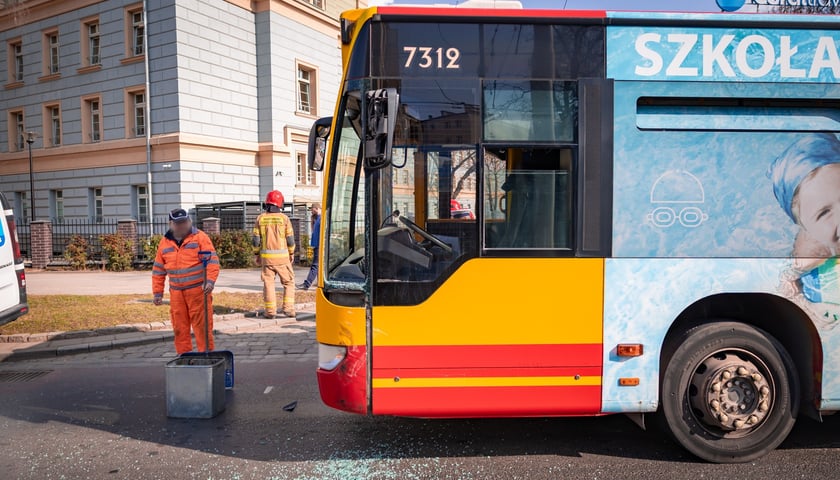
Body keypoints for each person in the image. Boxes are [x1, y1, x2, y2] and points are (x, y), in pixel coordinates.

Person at [770, 133, 840, 307]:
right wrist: (791, 277)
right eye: (824, 213)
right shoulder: (811, 251)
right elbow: (789, 277)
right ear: (804, 226)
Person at [152, 208, 220, 354]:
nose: (182, 226)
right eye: (178, 223)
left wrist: (210, 282)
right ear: (171, 224)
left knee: (202, 327)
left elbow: (213, 262)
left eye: (184, 222)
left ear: (189, 221)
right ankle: (184, 356)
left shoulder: (200, 238)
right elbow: (158, 270)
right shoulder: (164, 243)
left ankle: (206, 355)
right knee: (179, 328)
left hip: (198, 292)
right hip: (176, 294)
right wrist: (157, 293)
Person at [253, 190, 296, 319]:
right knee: (288, 282)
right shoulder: (284, 219)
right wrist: (292, 252)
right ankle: (288, 309)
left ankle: (270, 312)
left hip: (267, 260)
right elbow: (290, 239)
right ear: (280, 204)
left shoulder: (260, 218)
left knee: (268, 283)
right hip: (283, 259)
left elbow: (255, 240)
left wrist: (256, 254)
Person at [298, 203, 321, 291]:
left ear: (316, 208)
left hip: (319, 245)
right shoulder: (316, 219)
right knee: (318, 267)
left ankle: (307, 284)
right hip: (316, 245)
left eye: (312, 209)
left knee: (315, 266)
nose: (311, 211)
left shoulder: (321, 218)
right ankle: (321, 285)